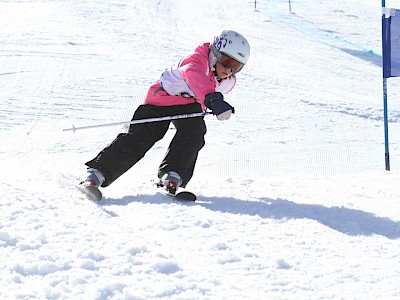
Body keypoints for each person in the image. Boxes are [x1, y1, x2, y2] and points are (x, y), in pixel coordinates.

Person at [78, 30, 251, 200]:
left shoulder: (228, 82)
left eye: (237, 67)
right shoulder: (196, 60)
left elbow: (205, 93)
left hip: (188, 107)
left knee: (194, 132)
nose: (230, 70)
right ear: (215, 54)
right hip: (160, 101)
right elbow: (195, 76)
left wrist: (213, 105)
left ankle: (172, 175)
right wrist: (213, 99)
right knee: (142, 137)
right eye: (228, 62)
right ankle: (96, 174)